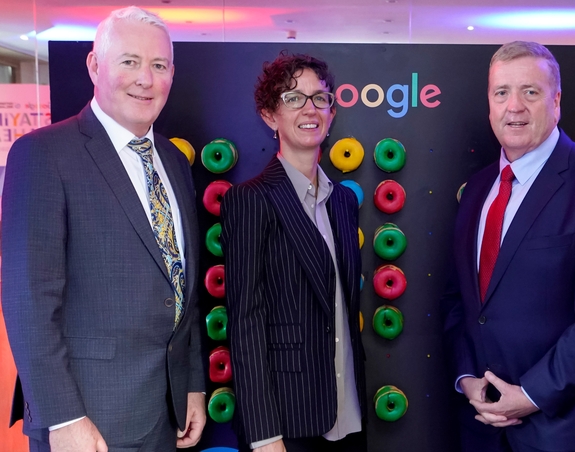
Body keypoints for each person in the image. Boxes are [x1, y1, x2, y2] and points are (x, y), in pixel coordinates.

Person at [1, 6, 206, 451]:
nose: (145, 79)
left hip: (164, 413)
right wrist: (63, 417)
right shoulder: (42, 155)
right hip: (88, 418)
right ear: (95, 66)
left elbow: (179, 281)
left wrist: (192, 383)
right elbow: (28, 300)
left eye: (159, 65)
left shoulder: (174, 161)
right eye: (129, 62)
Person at [440, 40, 575, 452]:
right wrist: (467, 379)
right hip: (481, 425)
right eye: (501, 93)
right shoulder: (477, 190)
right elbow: (460, 301)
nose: (514, 106)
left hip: (562, 428)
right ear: (490, 104)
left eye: (530, 92)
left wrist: (529, 395)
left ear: (556, 100)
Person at [220, 52, 366, 452]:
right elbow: (245, 322)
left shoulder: (343, 202)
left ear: (332, 112)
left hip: (348, 412)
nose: (310, 109)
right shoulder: (249, 201)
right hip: (287, 422)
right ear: (270, 115)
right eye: (293, 98)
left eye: (320, 98)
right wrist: (264, 434)